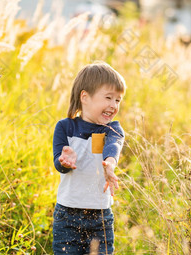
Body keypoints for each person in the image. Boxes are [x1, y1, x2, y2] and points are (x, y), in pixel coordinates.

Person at [52, 61, 126, 254]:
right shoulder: (65, 127)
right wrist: (65, 162)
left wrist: (110, 164)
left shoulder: (111, 129)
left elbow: (113, 145)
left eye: (118, 100)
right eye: (108, 97)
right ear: (85, 97)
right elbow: (59, 165)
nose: (113, 105)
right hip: (67, 216)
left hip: (100, 218)